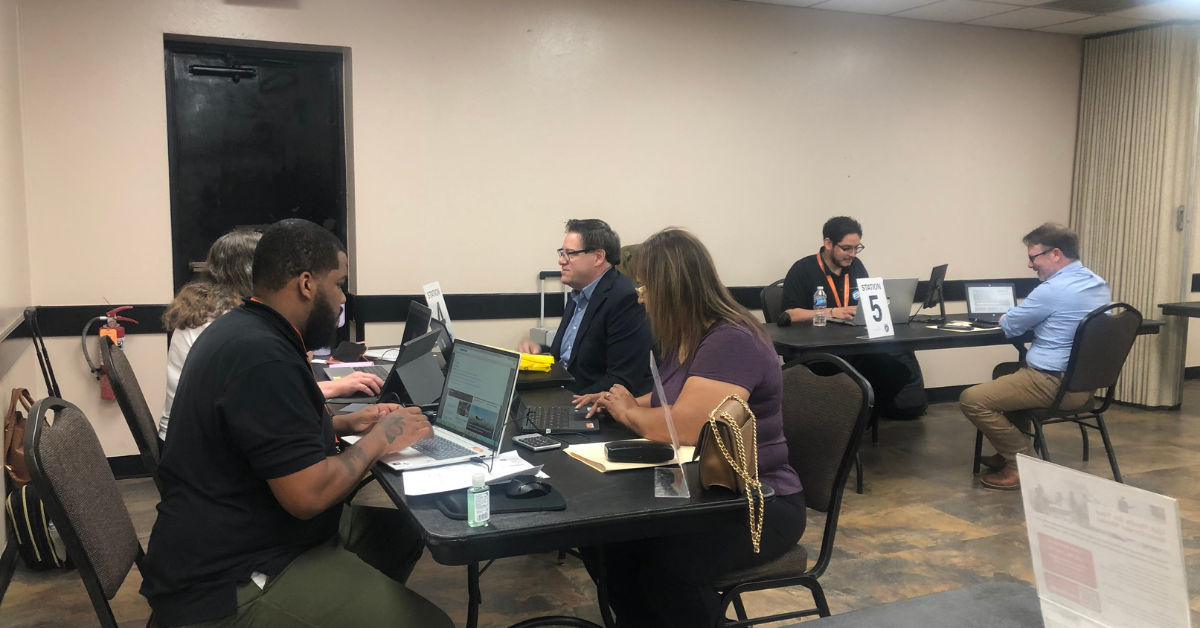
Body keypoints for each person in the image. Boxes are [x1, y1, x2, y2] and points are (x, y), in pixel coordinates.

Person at [140, 219, 452, 628]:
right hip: (229, 578)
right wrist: (380, 438)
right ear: (307, 284)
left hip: (251, 530)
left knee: (405, 534)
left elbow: (262, 432)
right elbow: (306, 496)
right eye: (339, 284)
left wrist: (348, 424)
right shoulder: (263, 357)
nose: (343, 300)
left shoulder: (247, 328)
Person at [574, 228, 805, 628]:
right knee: (604, 545)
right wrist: (620, 400)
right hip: (703, 487)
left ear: (673, 287)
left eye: (645, 286)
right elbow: (666, 397)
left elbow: (685, 426)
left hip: (758, 500)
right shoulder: (689, 336)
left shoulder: (730, 340)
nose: (639, 296)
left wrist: (629, 414)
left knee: (668, 568)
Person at [160, 230, 384, 441]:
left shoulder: (204, 309)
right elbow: (273, 398)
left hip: (190, 435)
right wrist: (335, 388)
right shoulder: (238, 327)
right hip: (201, 444)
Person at [960, 223, 1110, 490]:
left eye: (1033, 257)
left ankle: (1022, 463)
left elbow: (1011, 325)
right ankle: (1007, 453)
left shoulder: (1052, 290)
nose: (1030, 265)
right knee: (1005, 373)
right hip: (1084, 385)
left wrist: (1010, 316)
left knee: (972, 399)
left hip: (1052, 383)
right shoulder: (1096, 284)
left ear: (1055, 254)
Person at [780, 216, 913, 416]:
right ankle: (842, 424)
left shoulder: (856, 267)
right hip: (816, 350)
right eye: (846, 248)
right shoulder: (802, 269)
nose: (852, 254)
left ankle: (859, 421)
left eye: (856, 248)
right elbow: (790, 314)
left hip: (852, 345)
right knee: (852, 376)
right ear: (828, 243)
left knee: (897, 372)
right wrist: (832, 312)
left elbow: (868, 303)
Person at [517, 219, 654, 395]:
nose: (561, 261)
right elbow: (571, 358)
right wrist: (538, 353)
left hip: (598, 409)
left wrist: (570, 405)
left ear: (598, 257)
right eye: (561, 253)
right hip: (566, 396)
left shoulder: (625, 298)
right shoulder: (578, 293)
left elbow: (621, 380)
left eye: (570, 254)